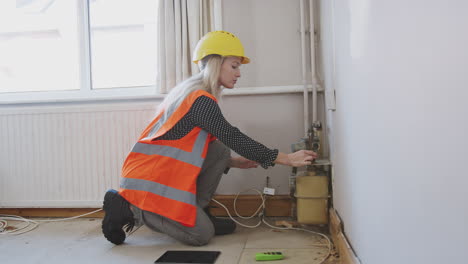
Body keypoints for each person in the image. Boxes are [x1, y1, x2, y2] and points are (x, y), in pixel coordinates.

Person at [101, 30, 317, 246]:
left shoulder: (191, 95)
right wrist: (286, 159)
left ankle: (199, 211)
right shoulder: (200, 100)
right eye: (234, 66)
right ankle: (129, 207)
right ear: (216, 64)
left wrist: (232, 162)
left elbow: (193, 147)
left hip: (155, 177)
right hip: (147, 185)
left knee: (220, 150)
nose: (239, 73)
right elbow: (233, 136)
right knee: (201, 235)